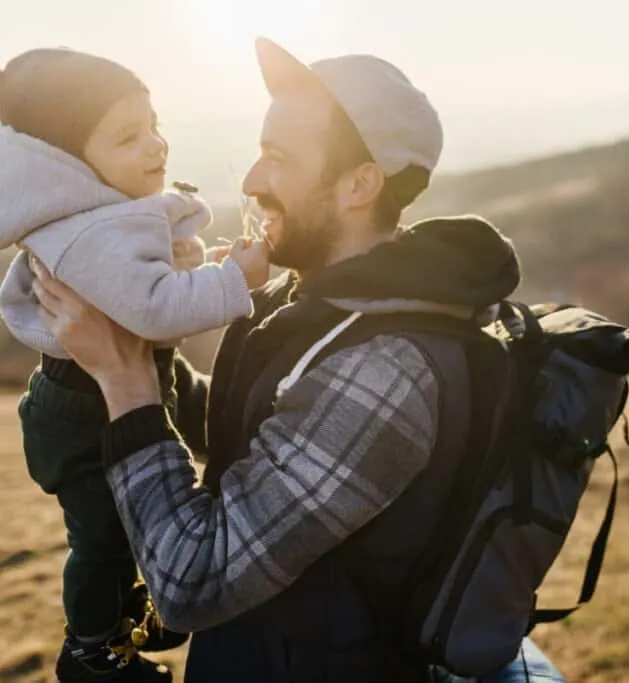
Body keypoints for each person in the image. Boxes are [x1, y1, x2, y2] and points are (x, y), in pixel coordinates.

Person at [31, 37, 565, 682]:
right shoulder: (311, 301)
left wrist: (125, 379)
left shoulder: (385, 367)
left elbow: (191, 583)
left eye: (276, 159)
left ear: (359, 183)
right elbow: (253, 432)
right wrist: (139, 343)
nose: (252, 183)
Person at [0, 47, 268, 682]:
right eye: (128, 136)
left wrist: (199, 270)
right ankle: (93, 648)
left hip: (109, 389)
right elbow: (152, 310)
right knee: (101, 538)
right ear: (68, 163)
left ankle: (137, 605)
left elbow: (140, 289)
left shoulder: (97, 214)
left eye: (153, 124)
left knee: (131, 516)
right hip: (83, 411)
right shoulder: (87, 233)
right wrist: (236, 280)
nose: (156, 145)